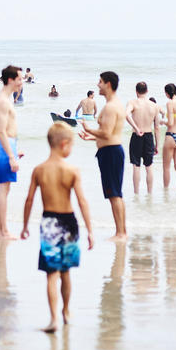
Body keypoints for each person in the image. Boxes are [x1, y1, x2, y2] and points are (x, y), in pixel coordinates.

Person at [20, 121, 94, 333]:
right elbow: (82, 202)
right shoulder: (72, 170)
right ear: (64, 144)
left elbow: (29, 200)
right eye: (71, 145)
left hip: (49, 222)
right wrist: (89, 230)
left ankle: (53, 318)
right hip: (69, 222)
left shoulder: (39, 170)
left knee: (51, 274)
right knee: (65, 272)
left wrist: (25, 226)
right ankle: (66, 311)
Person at [79, 71, 126, 241]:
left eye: (100, 81)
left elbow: (106, 133)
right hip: (111, 150)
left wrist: (88, 128)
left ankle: (120, 233)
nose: (97, 85)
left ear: (108, 84)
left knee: (114, 194)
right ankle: (121, 232)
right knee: (115, 194)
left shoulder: (111, 106)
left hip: (111, 152)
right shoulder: (114, 104)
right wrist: (91, 137)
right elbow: (110, 134)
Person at [0, 65, 24, 239]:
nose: (22, 82)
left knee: (2, 189)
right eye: (19, 79)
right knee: (2, 189)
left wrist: (14, 150)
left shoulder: (5, 99)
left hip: (5, 145)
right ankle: (2, 231)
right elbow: (1, 130)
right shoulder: (3, 101)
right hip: (3, 145)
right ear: (10, 80)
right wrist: (11, 155)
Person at [125, 82, 159, 195]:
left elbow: (126, 114)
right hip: (149, 136)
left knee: (136, 165)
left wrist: (135, 127)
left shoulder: (132, 103)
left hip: (137, 135)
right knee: (149, 166)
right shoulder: (154, 106)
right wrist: (157, 145)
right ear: (147, 91)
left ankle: (136, 193)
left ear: (136, 91)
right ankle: (150, 194)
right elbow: (157, 127)